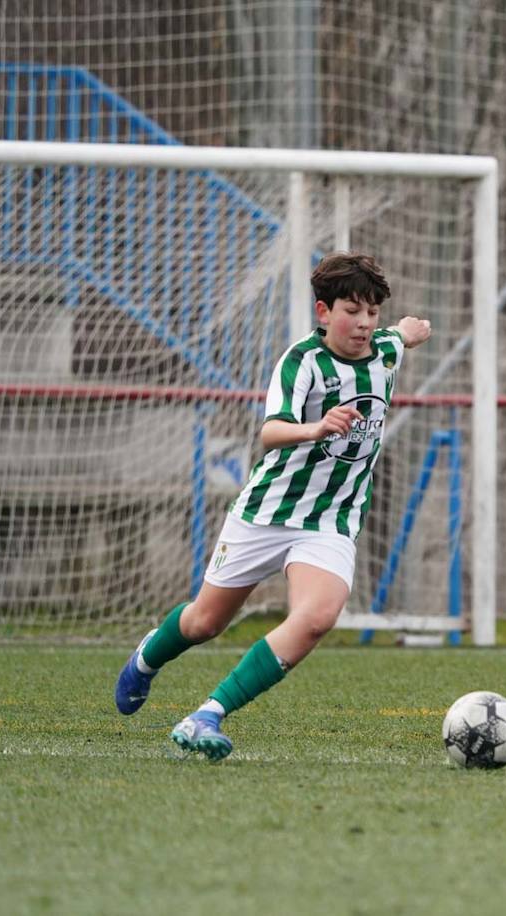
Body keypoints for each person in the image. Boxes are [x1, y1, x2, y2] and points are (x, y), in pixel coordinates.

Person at [113, 252, 432, 761]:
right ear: (324, 312)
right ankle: (146, 659)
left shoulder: (385, 349)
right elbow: (270, 430)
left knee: (317, 617)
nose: (365, 324)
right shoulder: (303, 360)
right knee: (203, 623)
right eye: (353, 311)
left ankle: (208, 714)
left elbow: (399, 336)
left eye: (373, 312)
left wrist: (409, 330)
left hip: (330, 520)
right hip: (266, 511)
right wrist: (315, 427)